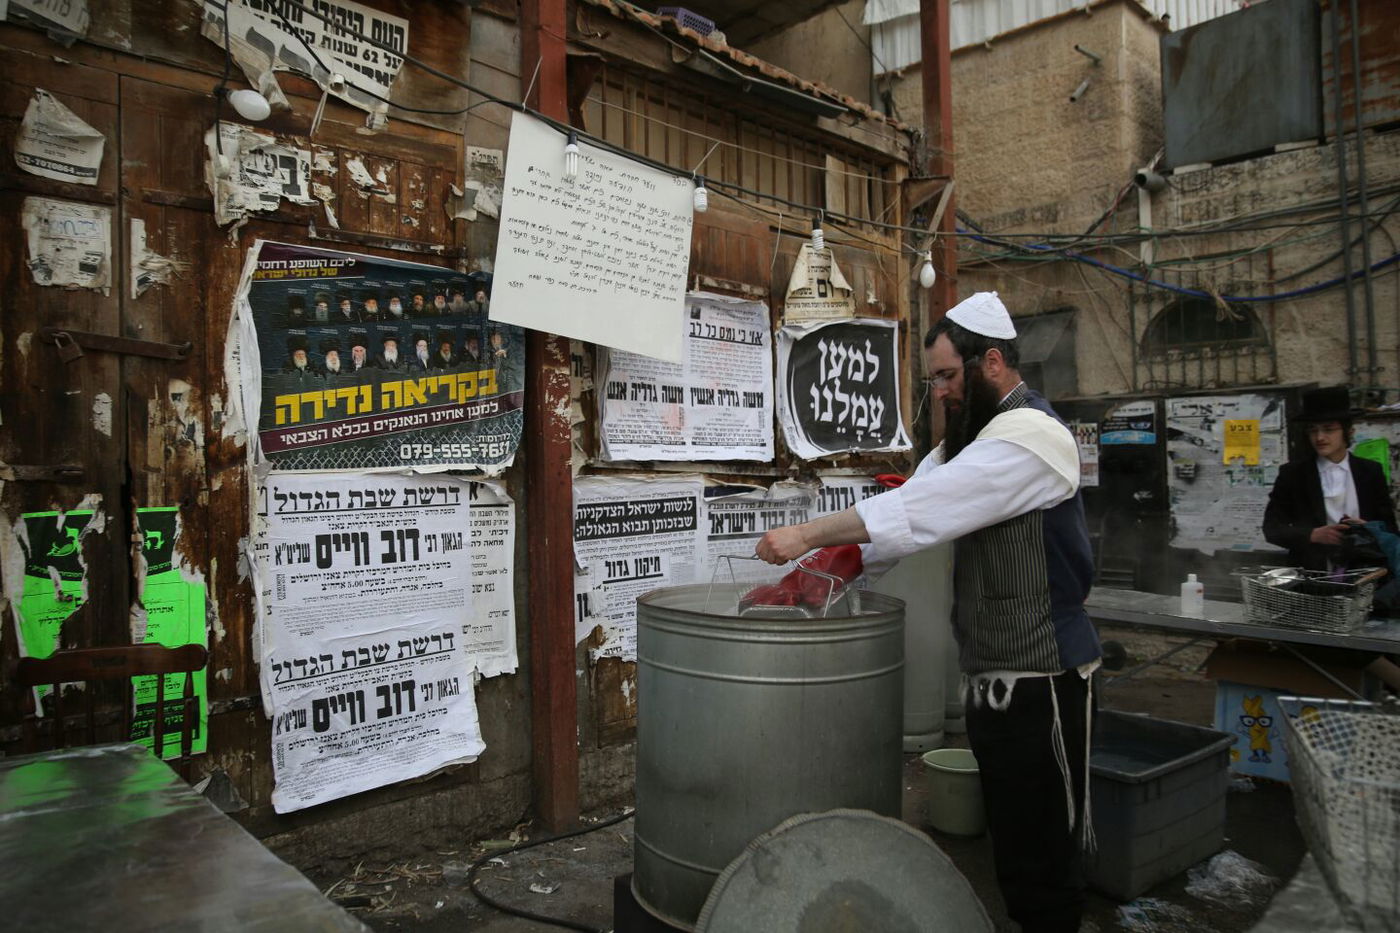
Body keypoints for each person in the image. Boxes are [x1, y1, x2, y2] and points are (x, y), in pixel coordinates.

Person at [755, 292, 1100, 933]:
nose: (939, 393)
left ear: (990, 362)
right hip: (992, 677)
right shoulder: (974, 441)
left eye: (946, 376)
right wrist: (819, 578)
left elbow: (920, 509)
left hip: (1044, 678)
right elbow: (904, 513)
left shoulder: (1032, 438)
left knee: (1045, 850)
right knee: (1014, 841)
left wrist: (804, 536)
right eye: (933, 380)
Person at [1263, 385, 1397, 570]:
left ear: (1348, 432)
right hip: (1312, 572)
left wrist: (1370, 528)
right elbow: (1272, 529)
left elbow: (1389, 527)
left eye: (1328, 429)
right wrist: (1313, 535)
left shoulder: (1370, 471)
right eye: (1313, 430)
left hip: (1365, 570)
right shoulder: (1293, 474)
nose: (1320, 437)